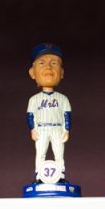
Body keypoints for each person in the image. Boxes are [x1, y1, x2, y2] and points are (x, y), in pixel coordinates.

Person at [26, 43, 72, 184]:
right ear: (32, 73)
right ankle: (39, 177)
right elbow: (30, 115)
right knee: (40, 153)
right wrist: (32, 129)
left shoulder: (63, 98)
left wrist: (67, 130)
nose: (48, 67)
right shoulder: (34, 99)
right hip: (42, 129)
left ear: (62, 72)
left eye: (53, 63)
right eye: (42, 63)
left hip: (57, 128)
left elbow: (67, 115)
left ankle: (61, 175)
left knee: (59, 154)